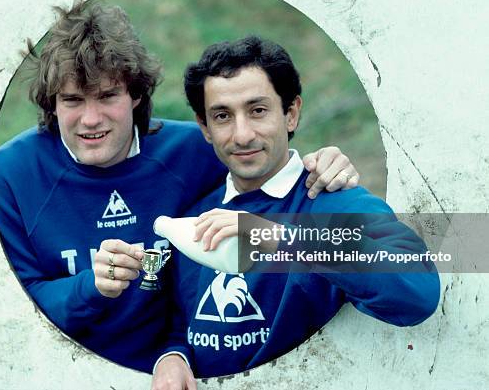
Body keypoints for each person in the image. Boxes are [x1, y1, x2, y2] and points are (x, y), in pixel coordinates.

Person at [0, 0, 360, 374]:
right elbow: (13, 305)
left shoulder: (194, 151)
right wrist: (89, 286)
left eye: (107, 96)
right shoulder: (10, 172)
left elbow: (265, 166)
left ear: (135, 94)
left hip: (176, 371)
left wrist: (323, 164)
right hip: (55, 370)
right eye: (72, 100)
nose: (90, 119)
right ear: (52, 103)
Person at [151, 35, 440, 387]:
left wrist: (280, 239)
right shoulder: (197, 215)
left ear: (291, 113)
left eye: (258, 111)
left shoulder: (336, 201)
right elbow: (179, 319)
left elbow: (417, 293)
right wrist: (172, 355)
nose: (242, 135)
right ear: (205, 128)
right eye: (223, 116)